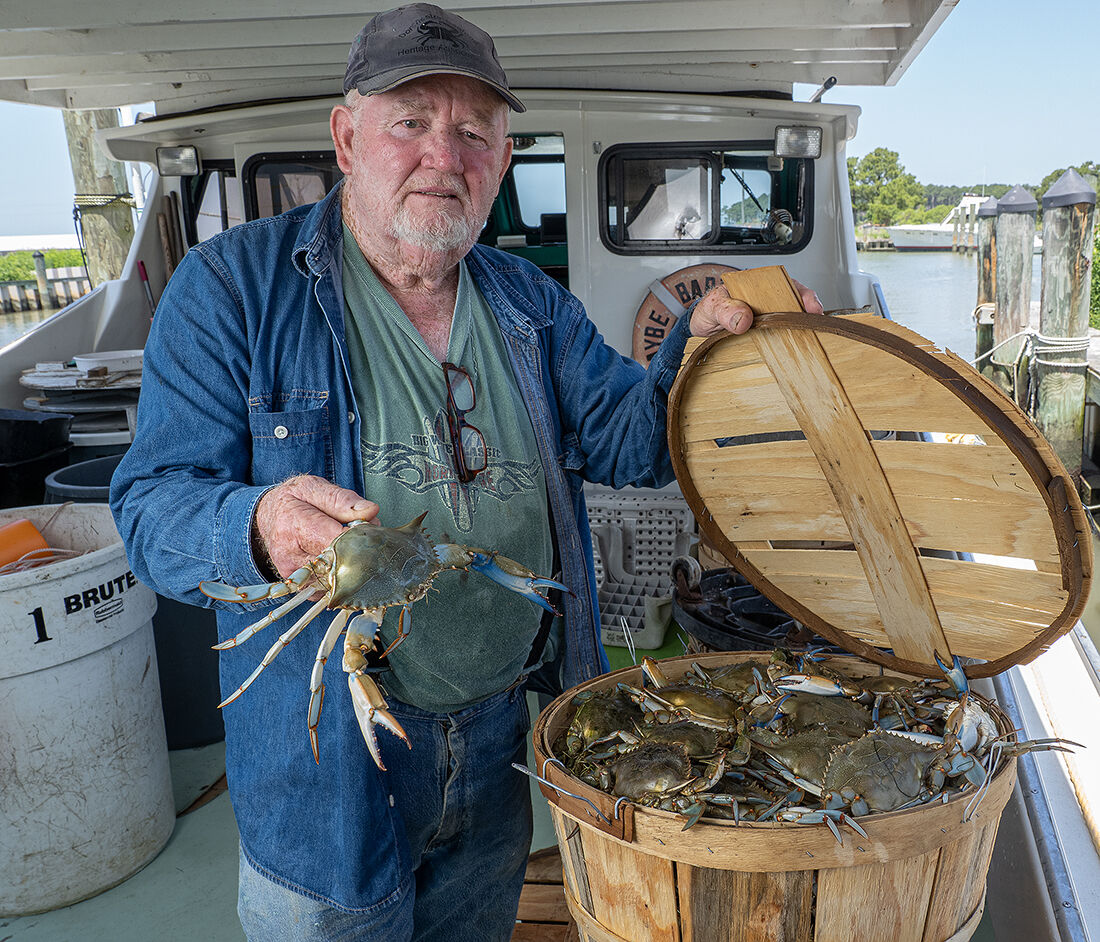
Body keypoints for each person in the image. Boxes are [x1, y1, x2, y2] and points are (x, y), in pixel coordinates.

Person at [110, 4, 823, 940]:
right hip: (328, 767)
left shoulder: (530, 300)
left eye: (474, 131)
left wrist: (696, 356)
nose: (444, 155)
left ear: (502, 156)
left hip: (495, 738)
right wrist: (256, 523)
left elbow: (630, 444)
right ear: (346, 135)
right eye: (411, 122)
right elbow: (151, 506)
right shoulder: (231, 288)